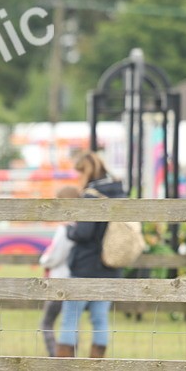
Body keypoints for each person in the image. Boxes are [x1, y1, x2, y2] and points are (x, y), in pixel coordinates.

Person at [56, 152, 125, 358]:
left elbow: (83, 232)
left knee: (71, 315)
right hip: (110, 265)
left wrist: (69, 229)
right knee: (100, 317)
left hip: (85, 265)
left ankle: (64, 364)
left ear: (85, 171)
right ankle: (97, 363)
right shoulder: (119, 193)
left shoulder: (91, 196)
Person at [38, 185, 81, 356]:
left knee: (47, 322)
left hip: (60, 279)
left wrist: (44, 260)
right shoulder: (80, 227)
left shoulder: (66, 229)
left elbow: (56, 254)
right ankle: (71, 354)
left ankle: (56, 355)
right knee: (71, 321)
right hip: (72, 277)